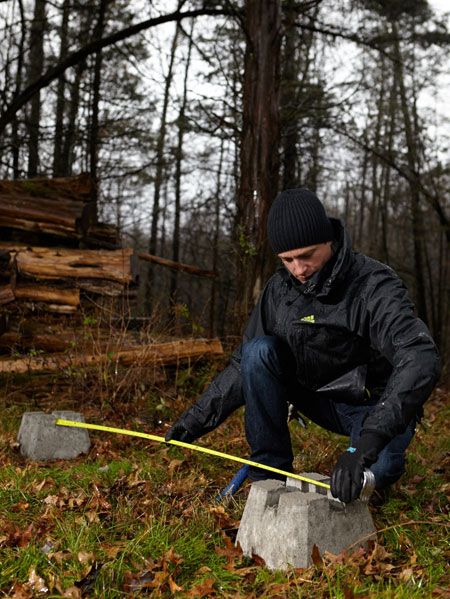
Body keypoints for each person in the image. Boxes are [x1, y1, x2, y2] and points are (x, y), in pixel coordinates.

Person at [165, 188, 441, 504]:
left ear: (329, 241)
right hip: (318, 399)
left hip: (372, 404)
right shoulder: (279, 291)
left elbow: (420, 355)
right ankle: (269, 474)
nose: (298, 269)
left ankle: (368, 475)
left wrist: (367, 443)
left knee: (382, 466)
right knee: (258, 352)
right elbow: (244, 365)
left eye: (307, 255)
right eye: (287, 260)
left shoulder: (373, 285)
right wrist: (194, 420)